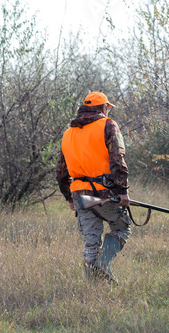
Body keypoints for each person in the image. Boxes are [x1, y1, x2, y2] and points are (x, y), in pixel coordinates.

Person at [56, 91, 132, 284]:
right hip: (106, 192)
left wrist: (69, 198)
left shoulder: (68, 134)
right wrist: (123, 191)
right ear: (104, 108)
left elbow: (61, 172)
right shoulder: (108, 125)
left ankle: (93, 288)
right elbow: (118, 160)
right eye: (107, 107)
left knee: (91, 242)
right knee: (122, 227)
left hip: (79, 195)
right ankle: (103, 265)